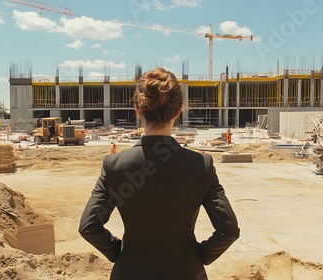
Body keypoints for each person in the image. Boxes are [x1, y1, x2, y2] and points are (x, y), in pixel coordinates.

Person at [79, 68, 239, 280]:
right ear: (179, 110)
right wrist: (197, 256)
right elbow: (228, 231)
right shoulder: (201, 165)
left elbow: (89, 227)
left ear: (138, 110)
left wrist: (120, 253)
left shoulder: (114, 165)